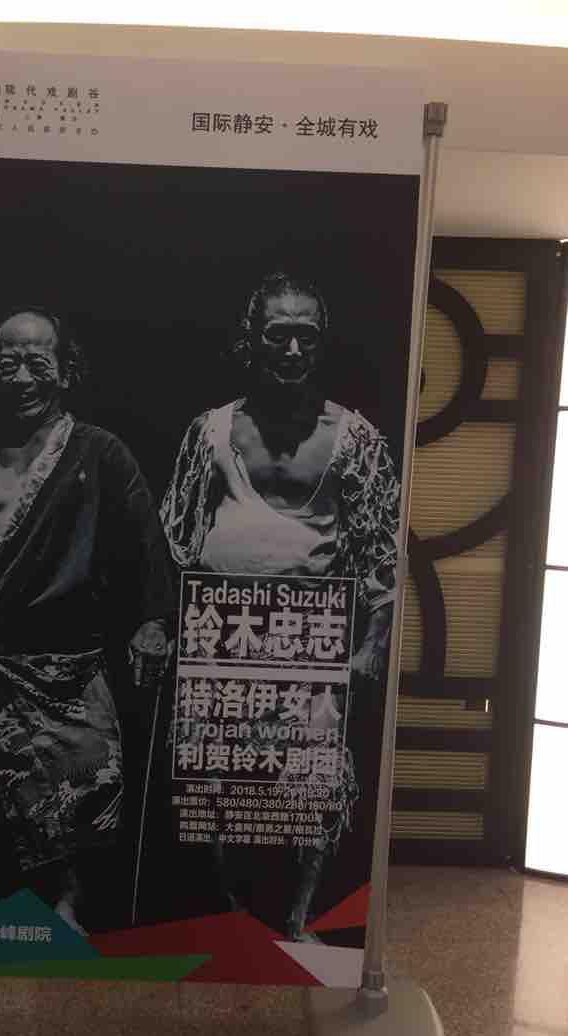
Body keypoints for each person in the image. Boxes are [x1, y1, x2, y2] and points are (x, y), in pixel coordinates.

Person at [160, 272, 400, 939]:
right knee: (211, 772)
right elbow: (175, 538)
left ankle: (297, 917)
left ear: (322, 343)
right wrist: (166, 626)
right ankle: (230, 910)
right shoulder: (211, 430)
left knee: (313, 776)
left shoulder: (355, 438)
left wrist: (373, 642)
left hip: (309, 632)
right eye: (278, 335)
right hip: (219, 629)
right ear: (251, 339)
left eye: (306, 337)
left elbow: (382, 554)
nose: (292, 351)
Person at [0, 306, 175, 934]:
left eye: (38, 363)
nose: (23, 378)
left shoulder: (99, 453)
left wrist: (154, 622)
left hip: (72, 665)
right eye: (9, 363)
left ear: (65, 370)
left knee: (84, 787)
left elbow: (148, 544)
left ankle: (69, 908)